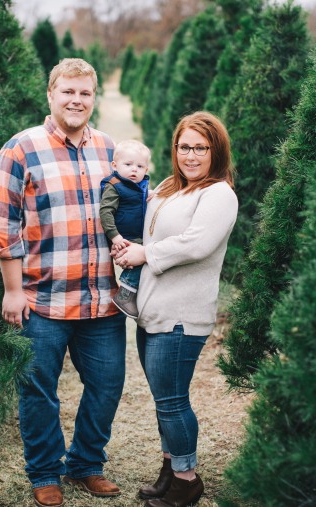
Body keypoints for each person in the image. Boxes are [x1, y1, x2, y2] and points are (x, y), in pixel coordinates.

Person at [0, 58, 126, 507]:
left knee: (106, 385)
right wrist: (13, 290)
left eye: (85, 93)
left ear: (94, 97)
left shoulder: (108, 149)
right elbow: (4, 227)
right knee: (38, 390)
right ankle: (45, 472)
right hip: (41, 299)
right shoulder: (20, 149)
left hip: (100, 299)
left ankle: (86, 463)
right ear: (51, 94)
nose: (76, 100)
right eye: (68, 91)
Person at [113, 111, 238, 507]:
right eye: (185, 146)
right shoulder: (169, 186)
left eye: (201, 148)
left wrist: (144, 254)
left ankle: (187, 479)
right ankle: (170, 469)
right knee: (163, 398)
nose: (191, 155)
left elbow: (195, 244)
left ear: (215, 152)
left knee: (173, 400)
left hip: (182, 316)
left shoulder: (218, 194)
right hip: (153, 312)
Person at [100, 139, 151, 318]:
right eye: (128, 164)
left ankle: (134, 292)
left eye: (140, 166)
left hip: (137, 233)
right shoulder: (114, 185)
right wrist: (115, 237)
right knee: (143, 258)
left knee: (148, 256)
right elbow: (105, 212)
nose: (134, 169)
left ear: (146, 169)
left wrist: (151, 196)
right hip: (124, 235)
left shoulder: (141, 186)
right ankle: (126, 293)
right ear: (115, 165)